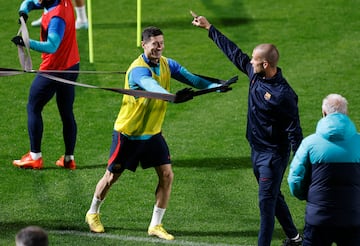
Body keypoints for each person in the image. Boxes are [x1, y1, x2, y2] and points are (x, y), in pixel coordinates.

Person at [85, 26, 230, 240]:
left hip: (152, 134)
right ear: (144, 45)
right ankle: (92, 212)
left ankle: (155, 225)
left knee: (167, 175)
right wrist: (171, 96)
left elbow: (192, 78)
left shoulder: (167, 64)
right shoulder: (138, 70)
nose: (159, 47)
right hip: (128, 134)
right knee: (111, 177)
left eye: (161, 43)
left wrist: (216, 86)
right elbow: (151, 87)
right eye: (154, 44)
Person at [191, 13, 303, 246]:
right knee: (273, 197)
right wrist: (209, 28)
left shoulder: (284, 95)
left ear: (266, 64)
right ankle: (294, 237)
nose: (250, 62)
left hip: (272, 156)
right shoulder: (255, 73)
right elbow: (235, 53)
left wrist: (301, 163)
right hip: (256, 150)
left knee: (265, 205)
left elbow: (295, 132)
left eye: (254, 60)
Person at [11, 0, 80, 170]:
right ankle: (69, 159)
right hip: (71, 65)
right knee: (66, 111)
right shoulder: (61, 2)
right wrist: (23, 12)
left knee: (33, 106)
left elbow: (52, 46)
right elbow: (30, 2)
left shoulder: (56, 18)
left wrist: (26, 42)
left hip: (53, 70)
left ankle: (35, 157)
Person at [288, 94, 360, 246]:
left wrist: (311, 198)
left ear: (324, 113)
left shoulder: (310, 143)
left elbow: (295, 180)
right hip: (353, 217)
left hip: (318, 218)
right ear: (346, 114)